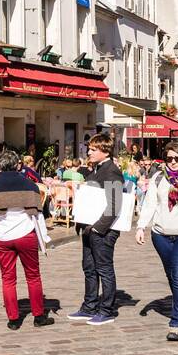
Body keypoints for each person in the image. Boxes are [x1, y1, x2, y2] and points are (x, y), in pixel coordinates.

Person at [0, 149, 53, 330]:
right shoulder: (29, 185)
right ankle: (38, 316)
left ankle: (13, 318)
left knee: (7, 278)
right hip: (26, 233)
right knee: (33, 276)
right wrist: (44, 237)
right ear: (17, 165)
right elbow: (38, 214)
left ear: (0, 165)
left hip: (3, 237)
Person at [135, 140, 178, 341]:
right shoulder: (158, 178)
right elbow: (150, 204)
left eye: (177, 158)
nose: (172, 162)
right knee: (173, 275)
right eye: (169, 158)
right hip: (161, 234)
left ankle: (177, 323)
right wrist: (141, 226)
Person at [70, 131, 124, 326]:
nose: (89, 152)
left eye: (93, 149)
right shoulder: (95, 169)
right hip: (88, 227)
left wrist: (98, 228)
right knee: (89, 268)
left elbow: (115, 204)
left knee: (104, 269)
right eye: (89, 149)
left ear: (104, 150)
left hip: (102, 230)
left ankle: (106, 309)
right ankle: (89, 306)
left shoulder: (111, 171)